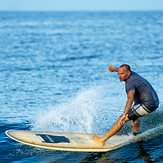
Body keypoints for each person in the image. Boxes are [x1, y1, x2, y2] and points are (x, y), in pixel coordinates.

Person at [92, 64, 159, 146]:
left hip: (147, 105)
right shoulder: (132, 74)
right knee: (133, 111)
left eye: (122, 74)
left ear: (128, 73)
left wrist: (124, 114)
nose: (119, 76)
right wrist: (114, 69)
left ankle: (102, 140)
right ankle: (136, 133)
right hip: (154, 102)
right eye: (118, 74)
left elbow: (130, 99)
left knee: (122, 118)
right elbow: (122, 70)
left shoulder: (130, 83)